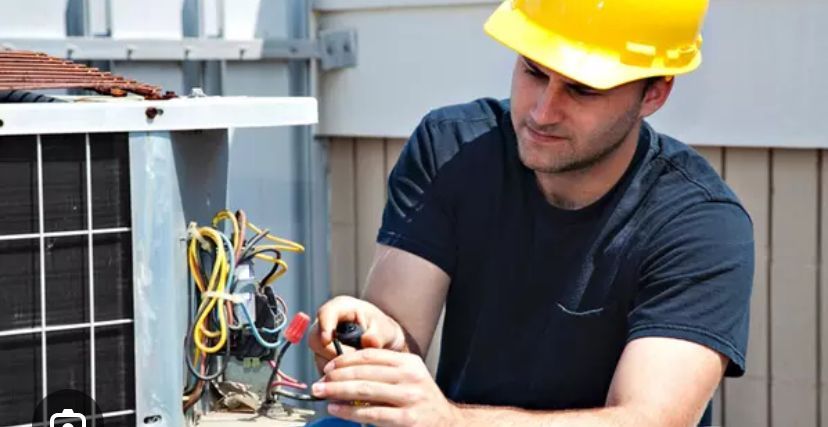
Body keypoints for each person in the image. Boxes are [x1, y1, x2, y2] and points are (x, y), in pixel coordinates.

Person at [309, 0, 754, 425]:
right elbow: (399, 342)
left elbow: (648, 420)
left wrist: (450, 422)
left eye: (582, 89)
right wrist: (374, 335)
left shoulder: (701, 225)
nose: (543, 112)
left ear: (655, 92)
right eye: (533, 72)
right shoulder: (451, 151)